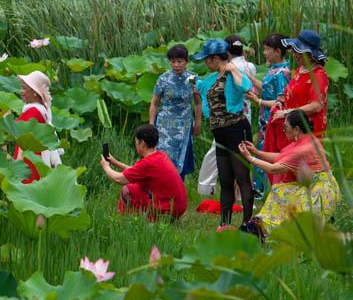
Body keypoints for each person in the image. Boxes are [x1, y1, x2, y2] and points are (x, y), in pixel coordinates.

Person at [239, 110, 341, 236]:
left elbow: (273, 168)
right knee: (281, 191)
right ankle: (261, 226)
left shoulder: (303, 149)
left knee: (292, 219)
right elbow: (281, 157)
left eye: (285, 127)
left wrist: (250, 159)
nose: (284, 130)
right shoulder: (307, 139)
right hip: (317, 186)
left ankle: (263, 229)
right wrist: (257, 152)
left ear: (296, 129)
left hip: (320, 192)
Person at [194, 39, 253, 231]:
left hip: (236, 130)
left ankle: (247, 224)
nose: (205, 63)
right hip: (220, 135)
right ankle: (224, 224)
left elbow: (245, 87)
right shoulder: (211, 78)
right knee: (226, 180)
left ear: (214, 59)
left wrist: (233, 69)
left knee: (242, 178)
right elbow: (205, 98)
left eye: (206, 60)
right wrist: (196, 85)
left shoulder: (232, 74)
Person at [264, 30, 329, 162]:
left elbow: (316, 106)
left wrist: (287, 112)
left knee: (302, 167)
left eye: (297, 51)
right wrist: (280, 101)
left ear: (309, 55)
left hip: (307, 129)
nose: (293, 54)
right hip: (293, 127)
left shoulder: (319, 75)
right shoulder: (300, 70)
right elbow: (292, 92)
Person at [99, 124, 187, 221]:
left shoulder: (148, 163)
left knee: (128, 190)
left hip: (170, 209)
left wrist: (105, 166)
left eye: (136, 141)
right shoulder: (160, 155)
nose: (135, 144)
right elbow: (135, 172)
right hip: (179, 206)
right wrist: (115, 162)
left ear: (142, 143)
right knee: (138, 186)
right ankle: (147, 218)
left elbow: (118, 179)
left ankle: (125, 221)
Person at [245, 33, 291, 194]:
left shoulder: (282, 74)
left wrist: (258, 102)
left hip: (273, 120)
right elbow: (266, 89)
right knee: (262, 148)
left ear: (277, 51)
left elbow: (280, 103)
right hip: (265, 119)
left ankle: (262, 189)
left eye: (267, 49)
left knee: (267, 150)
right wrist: (248, 77)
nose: (264, 53)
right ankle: (260, 188)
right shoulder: (274, 69)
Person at [148, 44, 202, 178]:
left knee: (181, 158)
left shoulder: (193, 78)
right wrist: (151, 124)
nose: (176, 65)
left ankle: (178, 191)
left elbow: (198, 102)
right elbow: (154, 103)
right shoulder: (163, 79)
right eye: (173, 61)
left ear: (186, 62)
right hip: (164, 124)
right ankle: (160, 191)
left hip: (184, 124)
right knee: (163, 157)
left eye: (179, 61)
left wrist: (198, 123)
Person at [13, 71, 62, 183]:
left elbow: (22, 140)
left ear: (35, 92)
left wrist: (17, 165)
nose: (22, 91)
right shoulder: (42, 109)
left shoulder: (33, 112)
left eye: (24, 88)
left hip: (28, 163)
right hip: (35, 159)